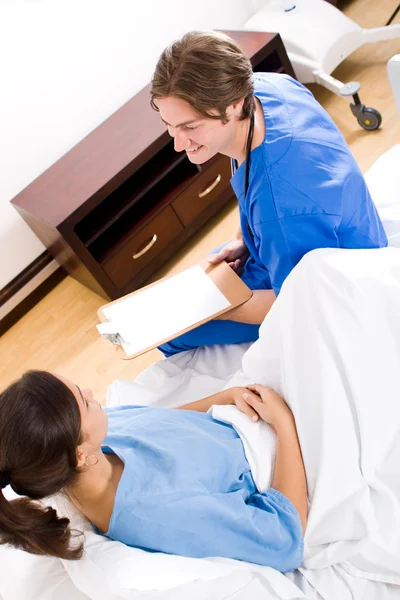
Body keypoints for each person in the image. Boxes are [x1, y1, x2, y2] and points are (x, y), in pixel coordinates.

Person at [150, 30, 388, 356]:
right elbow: (256, 187)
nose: (178, 144)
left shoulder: (280, 205)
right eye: (169, 125)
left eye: (190, 127)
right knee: (191, 288)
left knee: (166, 333)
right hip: (315, 232)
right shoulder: (266, 88)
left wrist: (219, 305)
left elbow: (293, 303)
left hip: (333, 284)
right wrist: (241, 240)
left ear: (233, 104)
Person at [0, 371, 307, 573]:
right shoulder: (155, 510)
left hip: (246, 411)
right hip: (282, 449)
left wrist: (224, 397)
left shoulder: (97, 442)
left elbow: (163, 424)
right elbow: (284, 541)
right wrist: (284, 425)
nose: (92, 392)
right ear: (81, 453)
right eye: (85, 400)